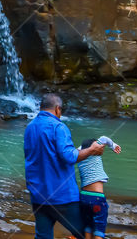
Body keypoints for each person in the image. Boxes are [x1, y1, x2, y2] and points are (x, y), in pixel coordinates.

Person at [24, 94, 105, 239]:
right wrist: (92, 150)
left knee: (43, 236)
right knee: (86, 233)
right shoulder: (58, 126)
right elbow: (69, 156)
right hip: (62, 197)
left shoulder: (30, 127)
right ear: (57, 109)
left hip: (38, 195)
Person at [78, 136, 122, 239]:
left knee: (88, 226)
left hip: (83, 197)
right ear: (94, 146)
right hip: (96, 198)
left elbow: (79, 149)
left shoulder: (79, 155)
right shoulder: (95, 152)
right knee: (99, 228)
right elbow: (104, 138)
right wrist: (113, 146)